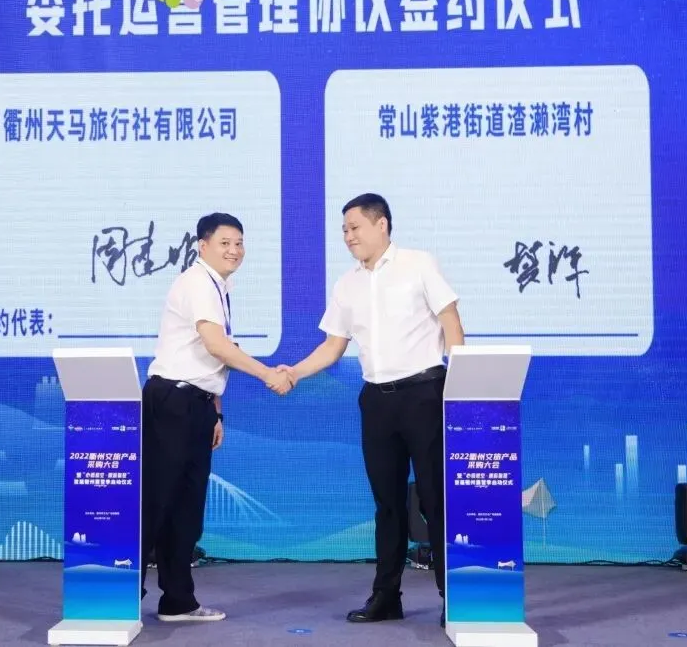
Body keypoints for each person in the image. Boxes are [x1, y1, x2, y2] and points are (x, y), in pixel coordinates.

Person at [280, 193, 464, 626]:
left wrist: (463, 387)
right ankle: (386, 596)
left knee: (436, 499)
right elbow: (332, 347)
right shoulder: (347, 284)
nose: (348, 236)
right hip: (377, 401)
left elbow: (452, 324)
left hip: (425, 393)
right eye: (344, 230)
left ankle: (455, 597)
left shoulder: (419, 264)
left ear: (381, 225)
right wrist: (293, 373)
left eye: (355, 227)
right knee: (387, 504)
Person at [141, 212, 294, 622]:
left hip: (195, 404)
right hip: (172, 403)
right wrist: (267, 374)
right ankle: (116, 599)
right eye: (225, 242)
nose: (234, 250)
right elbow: (216, 345)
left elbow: (212, 360)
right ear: (202, 245)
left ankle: (178, 601)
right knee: (157, 502)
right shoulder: (197, 283)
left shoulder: (218, 286)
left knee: (186, 508)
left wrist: (215, 412)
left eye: (239, 243)